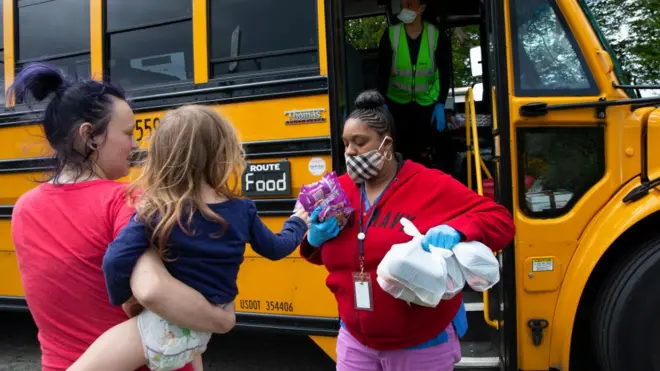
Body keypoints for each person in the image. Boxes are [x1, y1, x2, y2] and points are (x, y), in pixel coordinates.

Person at [9, 64, 236, 371]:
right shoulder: (125, 200)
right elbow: (154, 291)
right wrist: (222, 319)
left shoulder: (24, 208)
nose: (135, 144)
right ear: (90, 136)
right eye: (128, 133)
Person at [67, 105, 311, 371]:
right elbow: (276, 248)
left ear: (161, 157)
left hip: (161, 329)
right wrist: (297, 223)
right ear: (223, 154)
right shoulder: (243, 210)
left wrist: (124, 301)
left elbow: (115, 260)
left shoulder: (156, 211)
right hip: (204, 327)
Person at [299, 90, 515, 370]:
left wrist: (457, 230)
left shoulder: (430, 185)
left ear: (386, 144)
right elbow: (326, 255)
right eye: (346, 144)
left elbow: (500, 220)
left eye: (359, 142)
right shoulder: (338, 191)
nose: (350, 151)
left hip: (420, 346)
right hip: (355, 343)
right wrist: (314, 239)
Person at [376, 0, 454, 171]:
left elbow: (444, 73)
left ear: (422, 8)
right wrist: (382, 103)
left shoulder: (436, 34)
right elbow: (381, 72)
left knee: (427, 152)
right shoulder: (391, 34)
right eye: (403, 4)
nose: (405, 9)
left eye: (410, 4)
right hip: (396, 104)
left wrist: (441, 102)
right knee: (400, 153)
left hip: (426, 104)